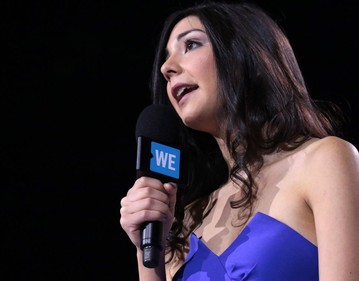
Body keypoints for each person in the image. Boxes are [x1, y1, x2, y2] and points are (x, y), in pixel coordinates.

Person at [119, 1, 359, 280]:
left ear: (245, 55)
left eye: (191, 45)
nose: (167, 68)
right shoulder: (187, 220)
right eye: (166, 57)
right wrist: (146, 251)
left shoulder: (324, 160)